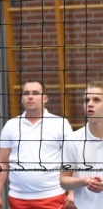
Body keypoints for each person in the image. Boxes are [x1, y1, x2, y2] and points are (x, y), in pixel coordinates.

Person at [0, 80, 74, 209]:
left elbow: (72, 160)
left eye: (35, 93)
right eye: (26, 93)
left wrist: (72, 192)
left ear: (45, 98)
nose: (30, 96)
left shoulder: (60, 124)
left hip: (52, 196)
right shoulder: (11, 125)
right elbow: (2, 161)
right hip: (17, 197)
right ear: (22, 99)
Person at [60, 80, 103, 209]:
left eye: (96, 100)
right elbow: (64, 181)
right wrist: (83, 181)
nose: (90, 104)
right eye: (86, 100)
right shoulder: (73, 139)